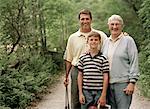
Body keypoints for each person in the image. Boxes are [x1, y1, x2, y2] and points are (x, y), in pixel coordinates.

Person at [63, 9, 107, 109]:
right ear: (79, 20)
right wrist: (66, 76)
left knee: (95, 101)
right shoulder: (73, 37)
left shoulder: (100, 35)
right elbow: (69, 58)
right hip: (76, 70)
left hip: (95, 71)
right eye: (82, 19)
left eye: (87, 19)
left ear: (91, 20)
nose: (85, 21)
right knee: (76, 99)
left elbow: (111, 42)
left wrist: (123, 36)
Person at [102, 14, 139, 109]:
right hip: (108, 84)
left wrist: (132, 82)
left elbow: (134, 61)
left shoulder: (128, 41)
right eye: (112, 24)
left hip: (123, 83)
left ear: (121, 26)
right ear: (108, 26)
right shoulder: (106, 42)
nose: (114, 27)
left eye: (117, 24)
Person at [77, 31, 109, 109]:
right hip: (86, 91)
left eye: (96, 40)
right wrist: (80, 93)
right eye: (91, 40)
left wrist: (103, 95)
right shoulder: (82, 58)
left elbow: (106, 77)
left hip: (99, 91)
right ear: (87, 42)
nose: (93, 42)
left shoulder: (103, 58)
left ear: (99, 42)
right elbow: (80, 75)